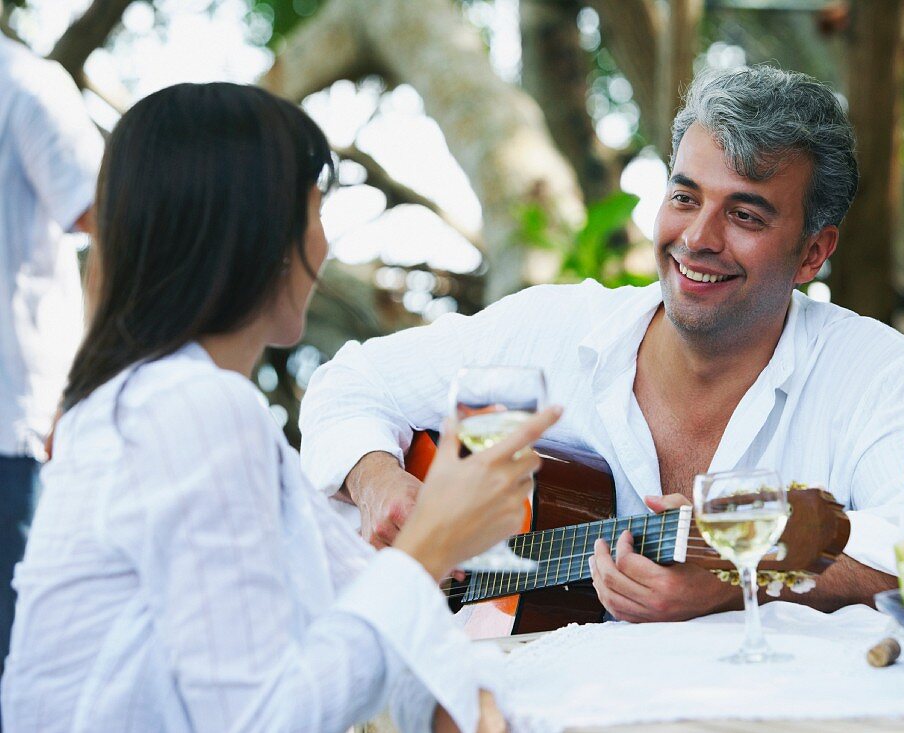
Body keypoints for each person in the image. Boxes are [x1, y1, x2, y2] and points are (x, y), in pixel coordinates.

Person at [0, 82, 559, 732]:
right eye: (318, 211)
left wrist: (457, 701)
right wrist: (433, 543)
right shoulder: (190, 409)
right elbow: (266, 718)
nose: (325, 245)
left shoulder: (146, 400)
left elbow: (359, 609)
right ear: (262, 231)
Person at [298, 65, 904, 624]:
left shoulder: (874, 374)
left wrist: (738, 579)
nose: (698, 238)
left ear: (813, 253)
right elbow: (348, 384)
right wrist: (379, 480)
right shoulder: (552, 327)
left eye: (745, 215)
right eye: (685, 197)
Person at [0, 36, 103, 679]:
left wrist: (89, 384)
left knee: (20, 669)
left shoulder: (25, 88)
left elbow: (115, 229)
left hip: (13, 437)